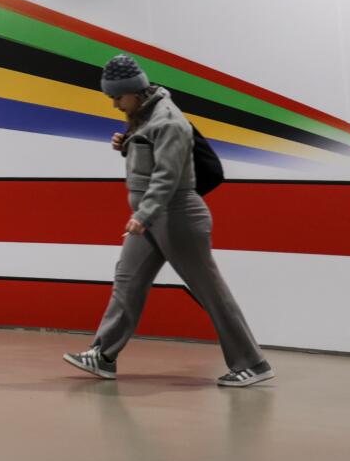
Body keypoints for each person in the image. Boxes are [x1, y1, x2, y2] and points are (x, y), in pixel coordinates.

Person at [64, 53, 274, 387]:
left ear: (134, 91)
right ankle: (103, 355)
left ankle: (252, 363)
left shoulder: (169, 120)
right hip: (152, 217)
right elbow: (150, 154)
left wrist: (143, 214)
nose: (114, 104)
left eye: (117, 97)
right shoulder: (145, 115)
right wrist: (126, 144)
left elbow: (167, 176)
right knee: (127, 282)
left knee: (210, 292)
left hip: (177, 216)